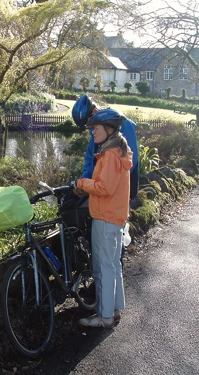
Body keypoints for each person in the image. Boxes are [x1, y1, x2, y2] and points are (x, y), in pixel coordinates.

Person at [75, 109, 132, 328]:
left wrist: (81, 183)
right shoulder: (120, 150)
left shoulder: (109, 154)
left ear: (108, 129)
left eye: (95, 128)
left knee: (103, 267)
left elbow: (104, 187)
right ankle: (115, 307)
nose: (92, 132)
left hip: (105, 217)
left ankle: (105, 316)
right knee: (113, 265)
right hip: (115, 216)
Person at [72, 94, 139, 200]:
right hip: (103, 188)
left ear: (94, 111)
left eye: (89, 124)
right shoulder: (98, 133)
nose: (90, 129)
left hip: (123, 184)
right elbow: (90, 160)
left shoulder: (120, 123)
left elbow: (131, 160)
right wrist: (85, 182)